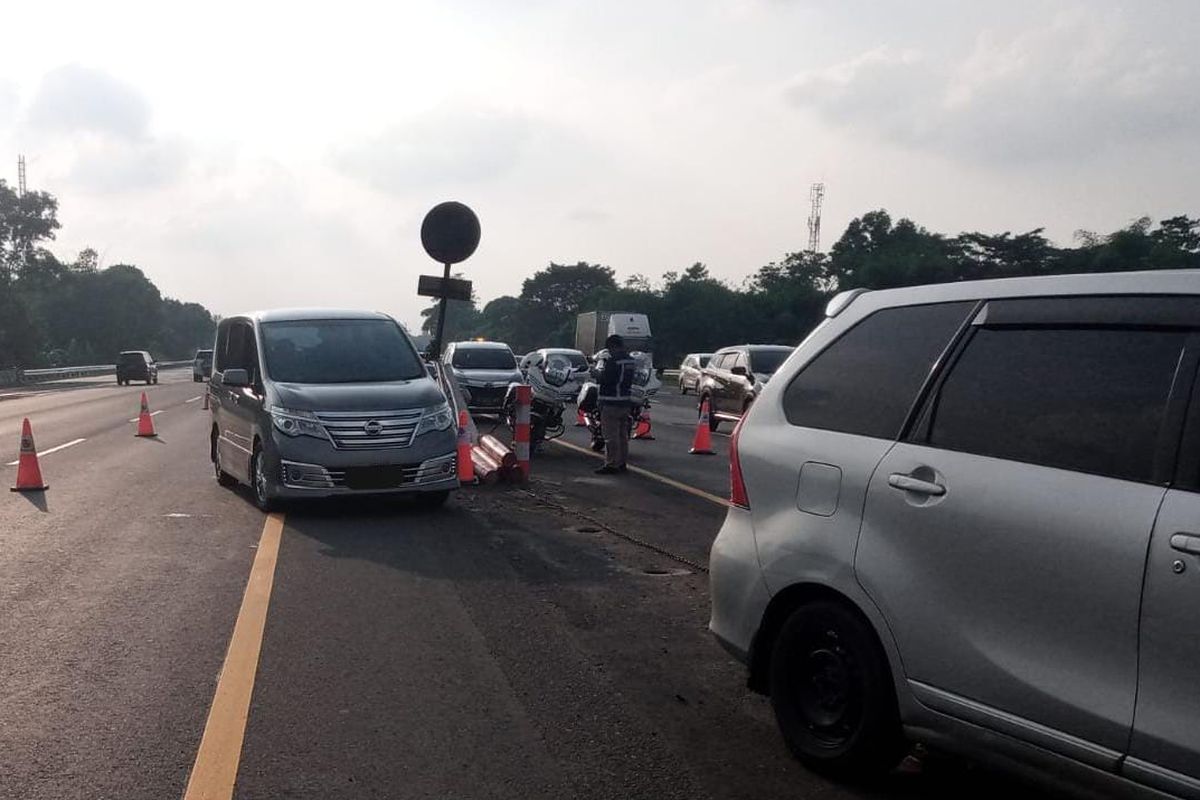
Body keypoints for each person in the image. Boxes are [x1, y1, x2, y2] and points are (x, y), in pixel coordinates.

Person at [593, 334, 636, 475]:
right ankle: (622, 462)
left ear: (612, 346)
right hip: (625, 401)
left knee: (610, 436)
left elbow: (606, 379)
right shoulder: (630, 361)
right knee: (622, 435)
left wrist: (596, 374)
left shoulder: (613, 361)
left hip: (611, 402)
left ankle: (612, 464)